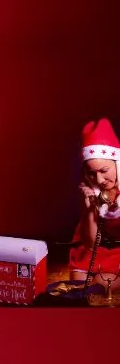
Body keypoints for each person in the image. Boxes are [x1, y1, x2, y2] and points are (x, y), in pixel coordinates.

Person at [70, 118, 120, 284]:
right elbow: (91, 244)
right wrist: (91, 210)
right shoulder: (89, 189)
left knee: (101, 283)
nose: (99, 180)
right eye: (91, 173)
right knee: (78, 283)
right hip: (97, 246)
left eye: (104, 171)